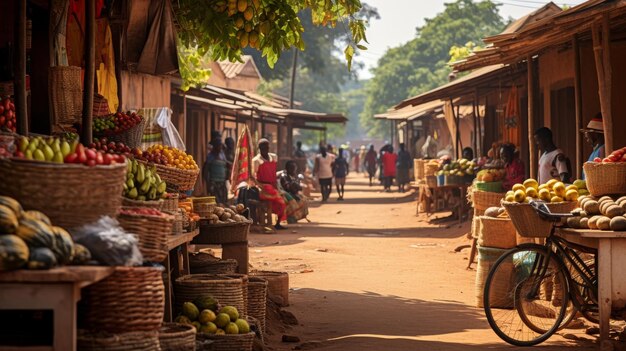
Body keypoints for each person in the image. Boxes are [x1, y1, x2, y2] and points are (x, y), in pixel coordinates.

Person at [252, 139, 287, 230]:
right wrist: (260, 186)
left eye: (267, 146)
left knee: (285, 200)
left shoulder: (274, 157)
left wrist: (276, 184)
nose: (266, 148)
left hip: (273, 186)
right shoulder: (256, 160)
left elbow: (273, 173)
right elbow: (253, 177)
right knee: (280, 201)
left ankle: (278, 223)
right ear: (259, 148)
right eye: (263, 146)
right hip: (263, 187)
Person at [203, 138, 228, 204]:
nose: (220, 147)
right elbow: (205, 170)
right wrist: (208, 183)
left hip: (222, 182)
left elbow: (225, 165)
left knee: (223, 201)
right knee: (215, 202)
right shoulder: (210, 156)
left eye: (221, 146)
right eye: (219, 146)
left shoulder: (222, 155)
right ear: (215, 146)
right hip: (214, 183)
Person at [581, 114, 605, 179]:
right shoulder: (597, 149)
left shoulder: (603, 149)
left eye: (588, 132)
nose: (586, 135)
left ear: (596, 134)